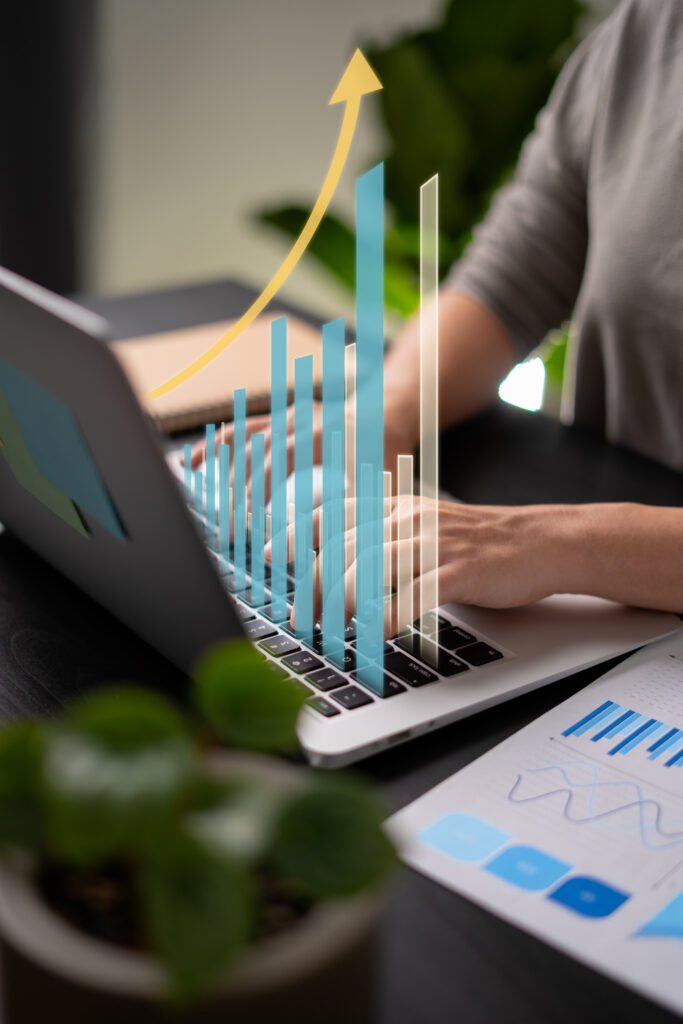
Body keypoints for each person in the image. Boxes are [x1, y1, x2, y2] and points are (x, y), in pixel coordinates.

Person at [193, 0, 683, 634]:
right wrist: (386, 412)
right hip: (623, 610)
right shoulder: (649, 31)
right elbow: (512, 274)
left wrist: (558, 542)